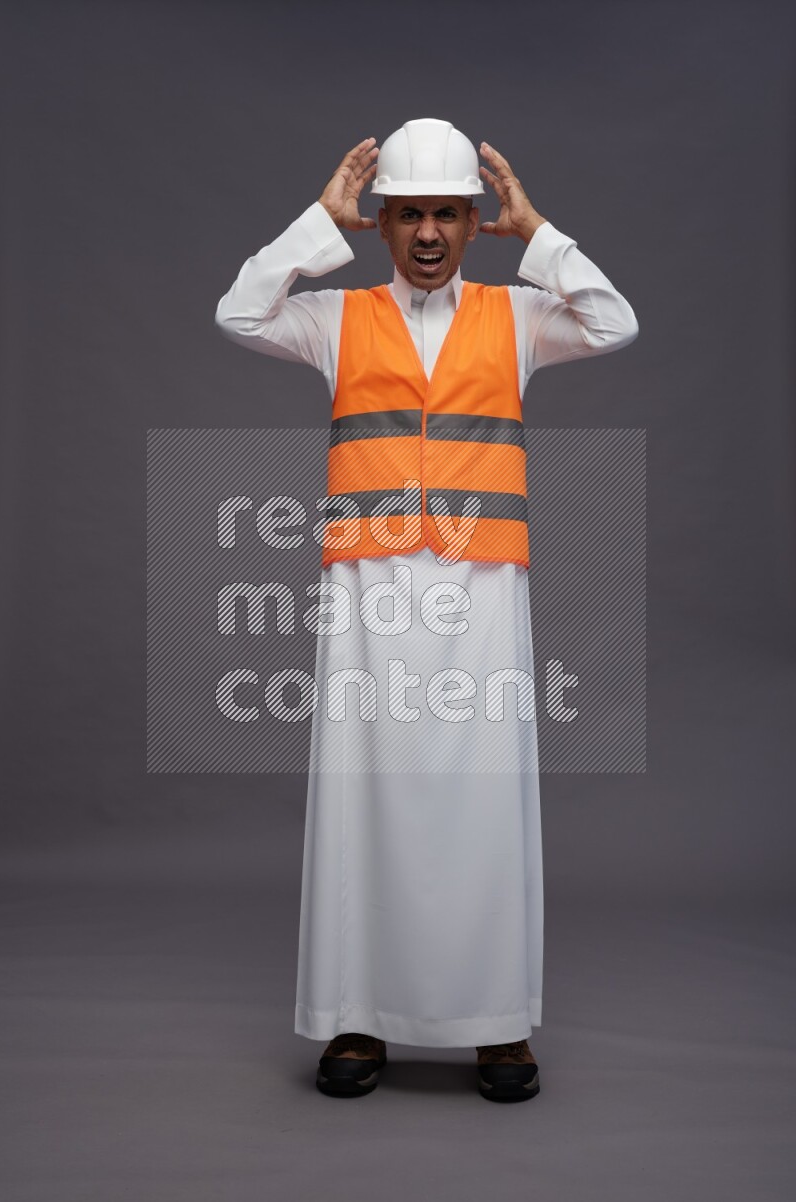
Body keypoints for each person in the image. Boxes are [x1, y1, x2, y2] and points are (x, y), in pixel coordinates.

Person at [215, 118, 639, 1103]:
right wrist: (313, 225)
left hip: (481, 592)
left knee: (482, 803)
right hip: (367, 594)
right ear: (382, 223)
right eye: (409, 213)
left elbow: (615, 321)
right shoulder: (333, 319)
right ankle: (355, 1017)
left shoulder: (521, 315)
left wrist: (537, 235)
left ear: (470, 220)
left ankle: (495, 1026)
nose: (430, 233)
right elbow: (239, 312)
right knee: (363, 799)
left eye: (449, 212)